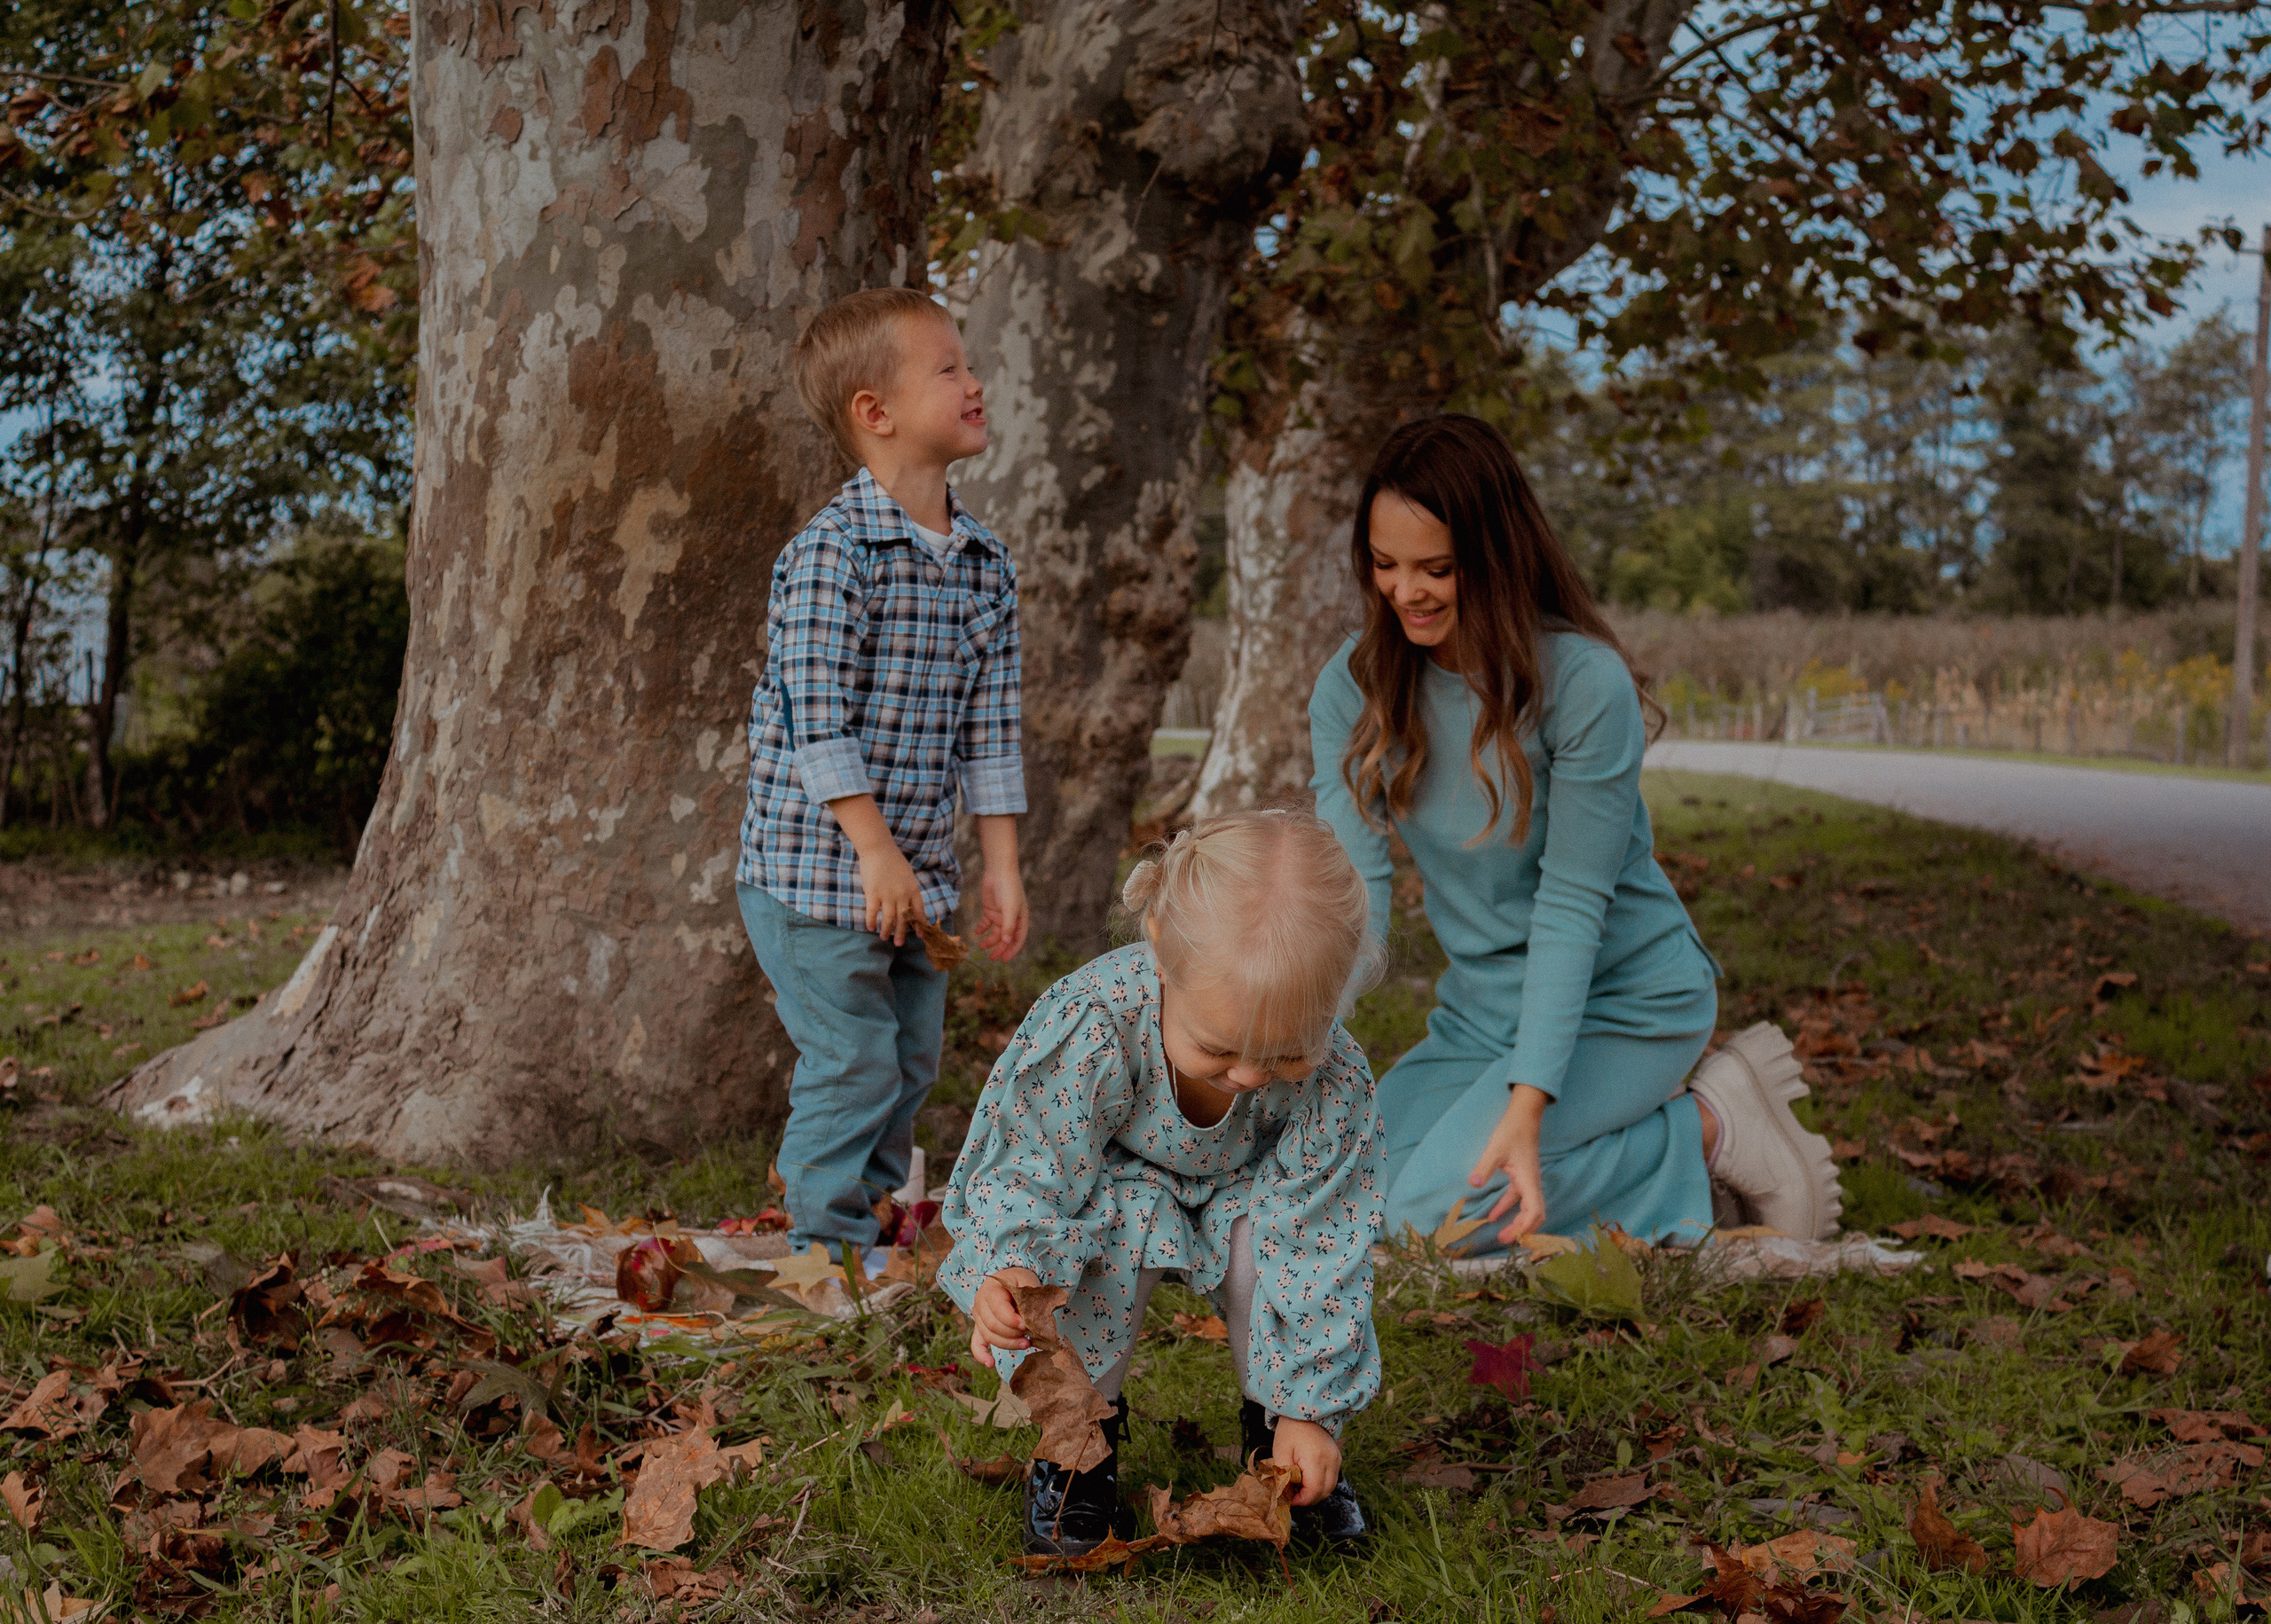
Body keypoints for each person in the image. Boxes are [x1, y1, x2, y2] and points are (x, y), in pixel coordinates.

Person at [1308, 413, 1841, 1254]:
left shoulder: (1584, 685)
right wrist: (1292, 1038)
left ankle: (1706, 1129)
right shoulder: (1355, 688)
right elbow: (1351, 904)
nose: (1405, 590)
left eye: (1436, 568)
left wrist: (1527, 1110)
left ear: (1492, 555)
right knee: (1349, 1193)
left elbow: (1570, 909)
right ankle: (1650, 1148)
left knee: (1427, 1222)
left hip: (1625, 1001)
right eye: (1384, 564)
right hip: (1483, 1015)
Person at [940, 811, 1384, 1557]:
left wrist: (1311, 1404)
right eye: (1218, 1049)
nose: (1248, 1075)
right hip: (1111, 1194)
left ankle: (1286, 1440)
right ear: (1161, 955)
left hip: (1256, 1198)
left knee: (1268, 1253)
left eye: (1284, 1057)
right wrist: (1015, 1268)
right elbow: (1033, 1159)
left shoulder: (1334, 1078)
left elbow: (1321, 1235)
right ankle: (1077, 1446)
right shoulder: (1097, 1023)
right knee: (1104, 1245)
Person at [736, 287, 1029, 1257]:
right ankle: (824, 1247)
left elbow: (990, 725)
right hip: (819, 877)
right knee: (852, 1058)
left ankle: (864, 1224)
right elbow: (811, 719)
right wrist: (873, 850)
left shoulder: (983, 562)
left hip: (915, 880)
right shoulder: (830, 555)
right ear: (877, 411)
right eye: (947, 368)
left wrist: (1001, 865)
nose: (973, 380)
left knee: (906, 1060)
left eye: (968, 362)